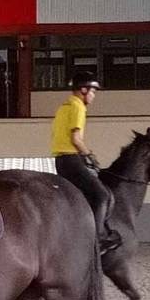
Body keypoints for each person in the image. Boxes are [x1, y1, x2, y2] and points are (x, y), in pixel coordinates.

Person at [51, 72, 121, 253]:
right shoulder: (78, 107)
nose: (93, 96)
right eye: (93, 91)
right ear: (83, 90)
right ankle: (97, 240)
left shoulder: (63, 107)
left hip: (61, 160)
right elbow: (76, 138)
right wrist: (89, 155)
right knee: (102, 195)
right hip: (72, 159)